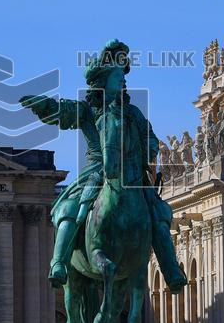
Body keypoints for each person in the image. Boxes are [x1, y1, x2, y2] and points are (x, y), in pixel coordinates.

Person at [21, 39, 187, 293]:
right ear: (104, 80)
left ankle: (170, 267)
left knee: (158, 212)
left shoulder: (132, 113)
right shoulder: (88, 110)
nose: (123, 81)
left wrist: (148, 149)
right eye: (118, 76)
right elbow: (62, 112)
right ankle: (59, 263)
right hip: (96, 170)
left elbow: (149, 137)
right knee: (72, 207)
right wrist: (43, 105)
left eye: (124, 76)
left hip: (131, 173)